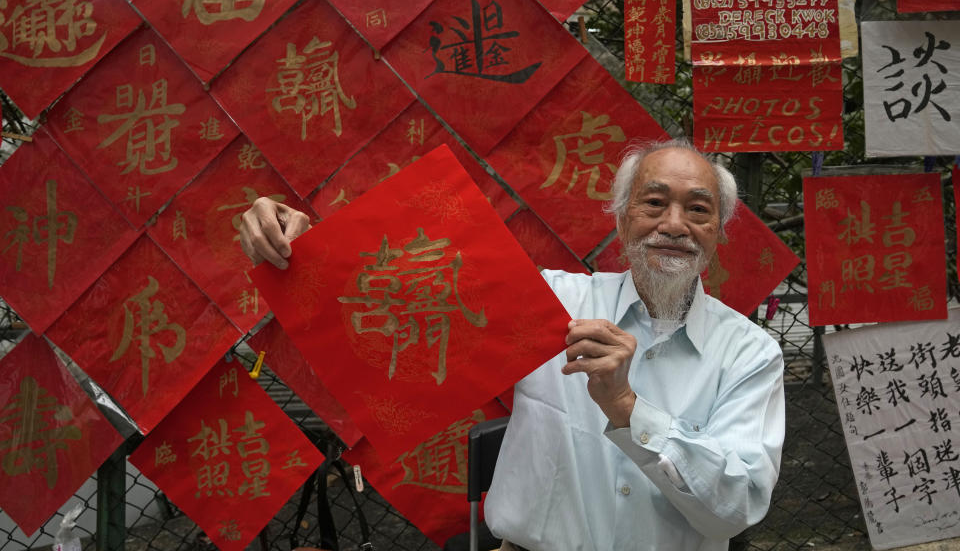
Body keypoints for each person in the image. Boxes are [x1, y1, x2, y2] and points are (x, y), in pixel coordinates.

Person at [238, 138, 785, 551]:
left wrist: (627, 408)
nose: (674, 224)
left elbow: (733, 508)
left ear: (718, 229)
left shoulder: (749, 354)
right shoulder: (548, 304)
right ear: (622, 220)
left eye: (697, 209)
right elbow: (394, 296)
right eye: (654, 203)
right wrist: (301, 244)